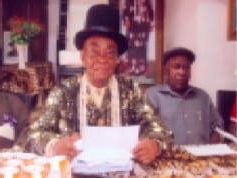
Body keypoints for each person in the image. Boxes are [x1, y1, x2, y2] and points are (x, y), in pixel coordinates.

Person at [29, 4, 173, 165]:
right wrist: (55, 145)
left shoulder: (131, 90)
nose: (103, 59)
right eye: (94, 51)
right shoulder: (63, 92)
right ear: (82, 55)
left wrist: (154, 144)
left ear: (118, 59)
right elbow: (34, 133)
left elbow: (160, 129)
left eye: (110, 53)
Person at [146, 47, 223, 145]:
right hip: (169, 157)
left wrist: (212, 150)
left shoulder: (203, 97)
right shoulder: (153, 96)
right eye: (177, 67)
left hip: (202, 157)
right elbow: (146, 132)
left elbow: (217, 127)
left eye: (186, 67)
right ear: (166, 70)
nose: (182, 72)